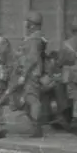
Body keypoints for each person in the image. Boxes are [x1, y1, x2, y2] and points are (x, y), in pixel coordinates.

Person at [14, 10, 48, 138]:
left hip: (31, 74)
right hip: (32, 72)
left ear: (32, 24)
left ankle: (36, 128)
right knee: (30, 98)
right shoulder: (37, 37)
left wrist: (24, 74)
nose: (25, 25)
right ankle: (35, 126)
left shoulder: (34, 39)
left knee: (32, 99)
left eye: (27, 22)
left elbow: (32, 58)